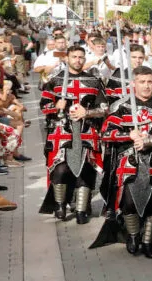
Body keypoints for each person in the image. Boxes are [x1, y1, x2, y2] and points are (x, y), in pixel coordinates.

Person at [92, 65, 152, 257]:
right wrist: (129, 134)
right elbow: (107, 133)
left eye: (150, 82)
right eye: (142, 82)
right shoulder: (121, 106)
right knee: (128, 201)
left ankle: (147, 242)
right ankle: (134, 236)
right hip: (129, 161)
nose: (146, 86)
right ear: (133, 84)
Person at [39, 44, 107, 223]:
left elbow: (104, 107)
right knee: (60, 169)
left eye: (81, 57)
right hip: (62, 131)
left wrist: (88, 113)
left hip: (86, 131)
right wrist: (56, 107)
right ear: (67, 58)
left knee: (85, 169)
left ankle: (81, 209)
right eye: (75, 57)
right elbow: (44, 106)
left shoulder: (94, 80)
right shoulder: (54, 80)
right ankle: (60, 205)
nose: (78, 60)